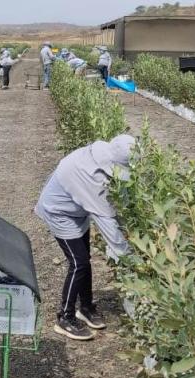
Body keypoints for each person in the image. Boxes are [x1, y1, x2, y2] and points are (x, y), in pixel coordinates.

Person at [35, 134, 134, 340]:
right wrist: (131, 259)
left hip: (77, 209)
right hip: (59, 212)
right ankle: (65, 317)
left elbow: (119, 204)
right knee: (78, 263)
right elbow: (110, 227)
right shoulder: (90, 177)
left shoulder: (103, 155)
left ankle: (86, 306)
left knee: (85, 259)